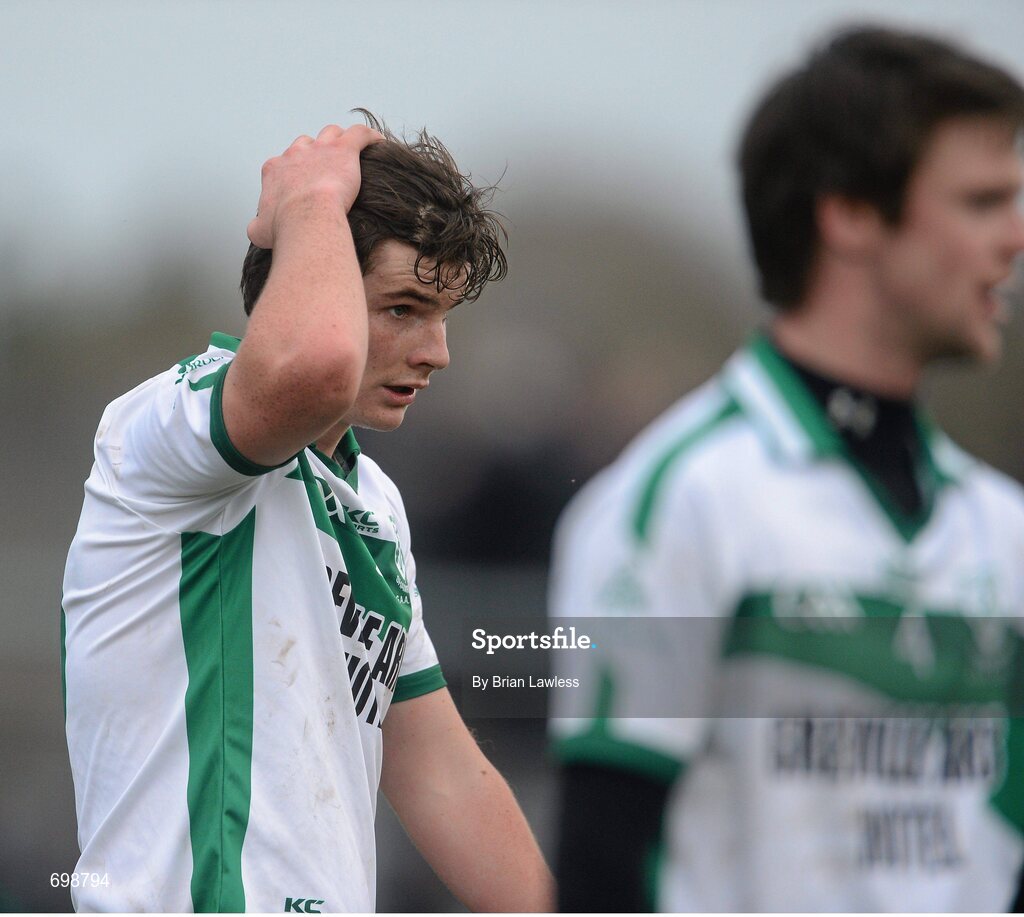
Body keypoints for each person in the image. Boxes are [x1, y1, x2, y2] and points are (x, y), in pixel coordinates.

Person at [550, 26, 1024, 912]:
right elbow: (602, 873)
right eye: (981, 201)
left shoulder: (1002, 527)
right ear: (848, 211)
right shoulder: (682, 499)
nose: (1015, 237)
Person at [62, 115, 554, 912]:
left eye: (443, 315)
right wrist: (315, 198)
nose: (437, 350)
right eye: (402, 307)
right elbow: (317, 367)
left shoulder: (376, 504)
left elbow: (444, 775)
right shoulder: (167, 425)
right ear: (307, 274)